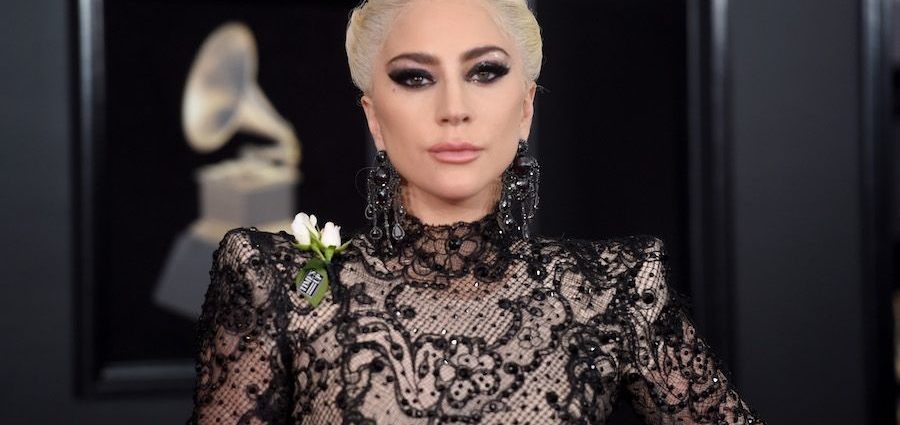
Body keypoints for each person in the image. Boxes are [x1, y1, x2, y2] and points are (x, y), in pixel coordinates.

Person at [188, 0, 766, 423]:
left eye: (485, 71)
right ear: (374, 117)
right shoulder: (280, 282)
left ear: (526, 108)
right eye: (416, 77)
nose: (454, 108)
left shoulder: (615, 290)